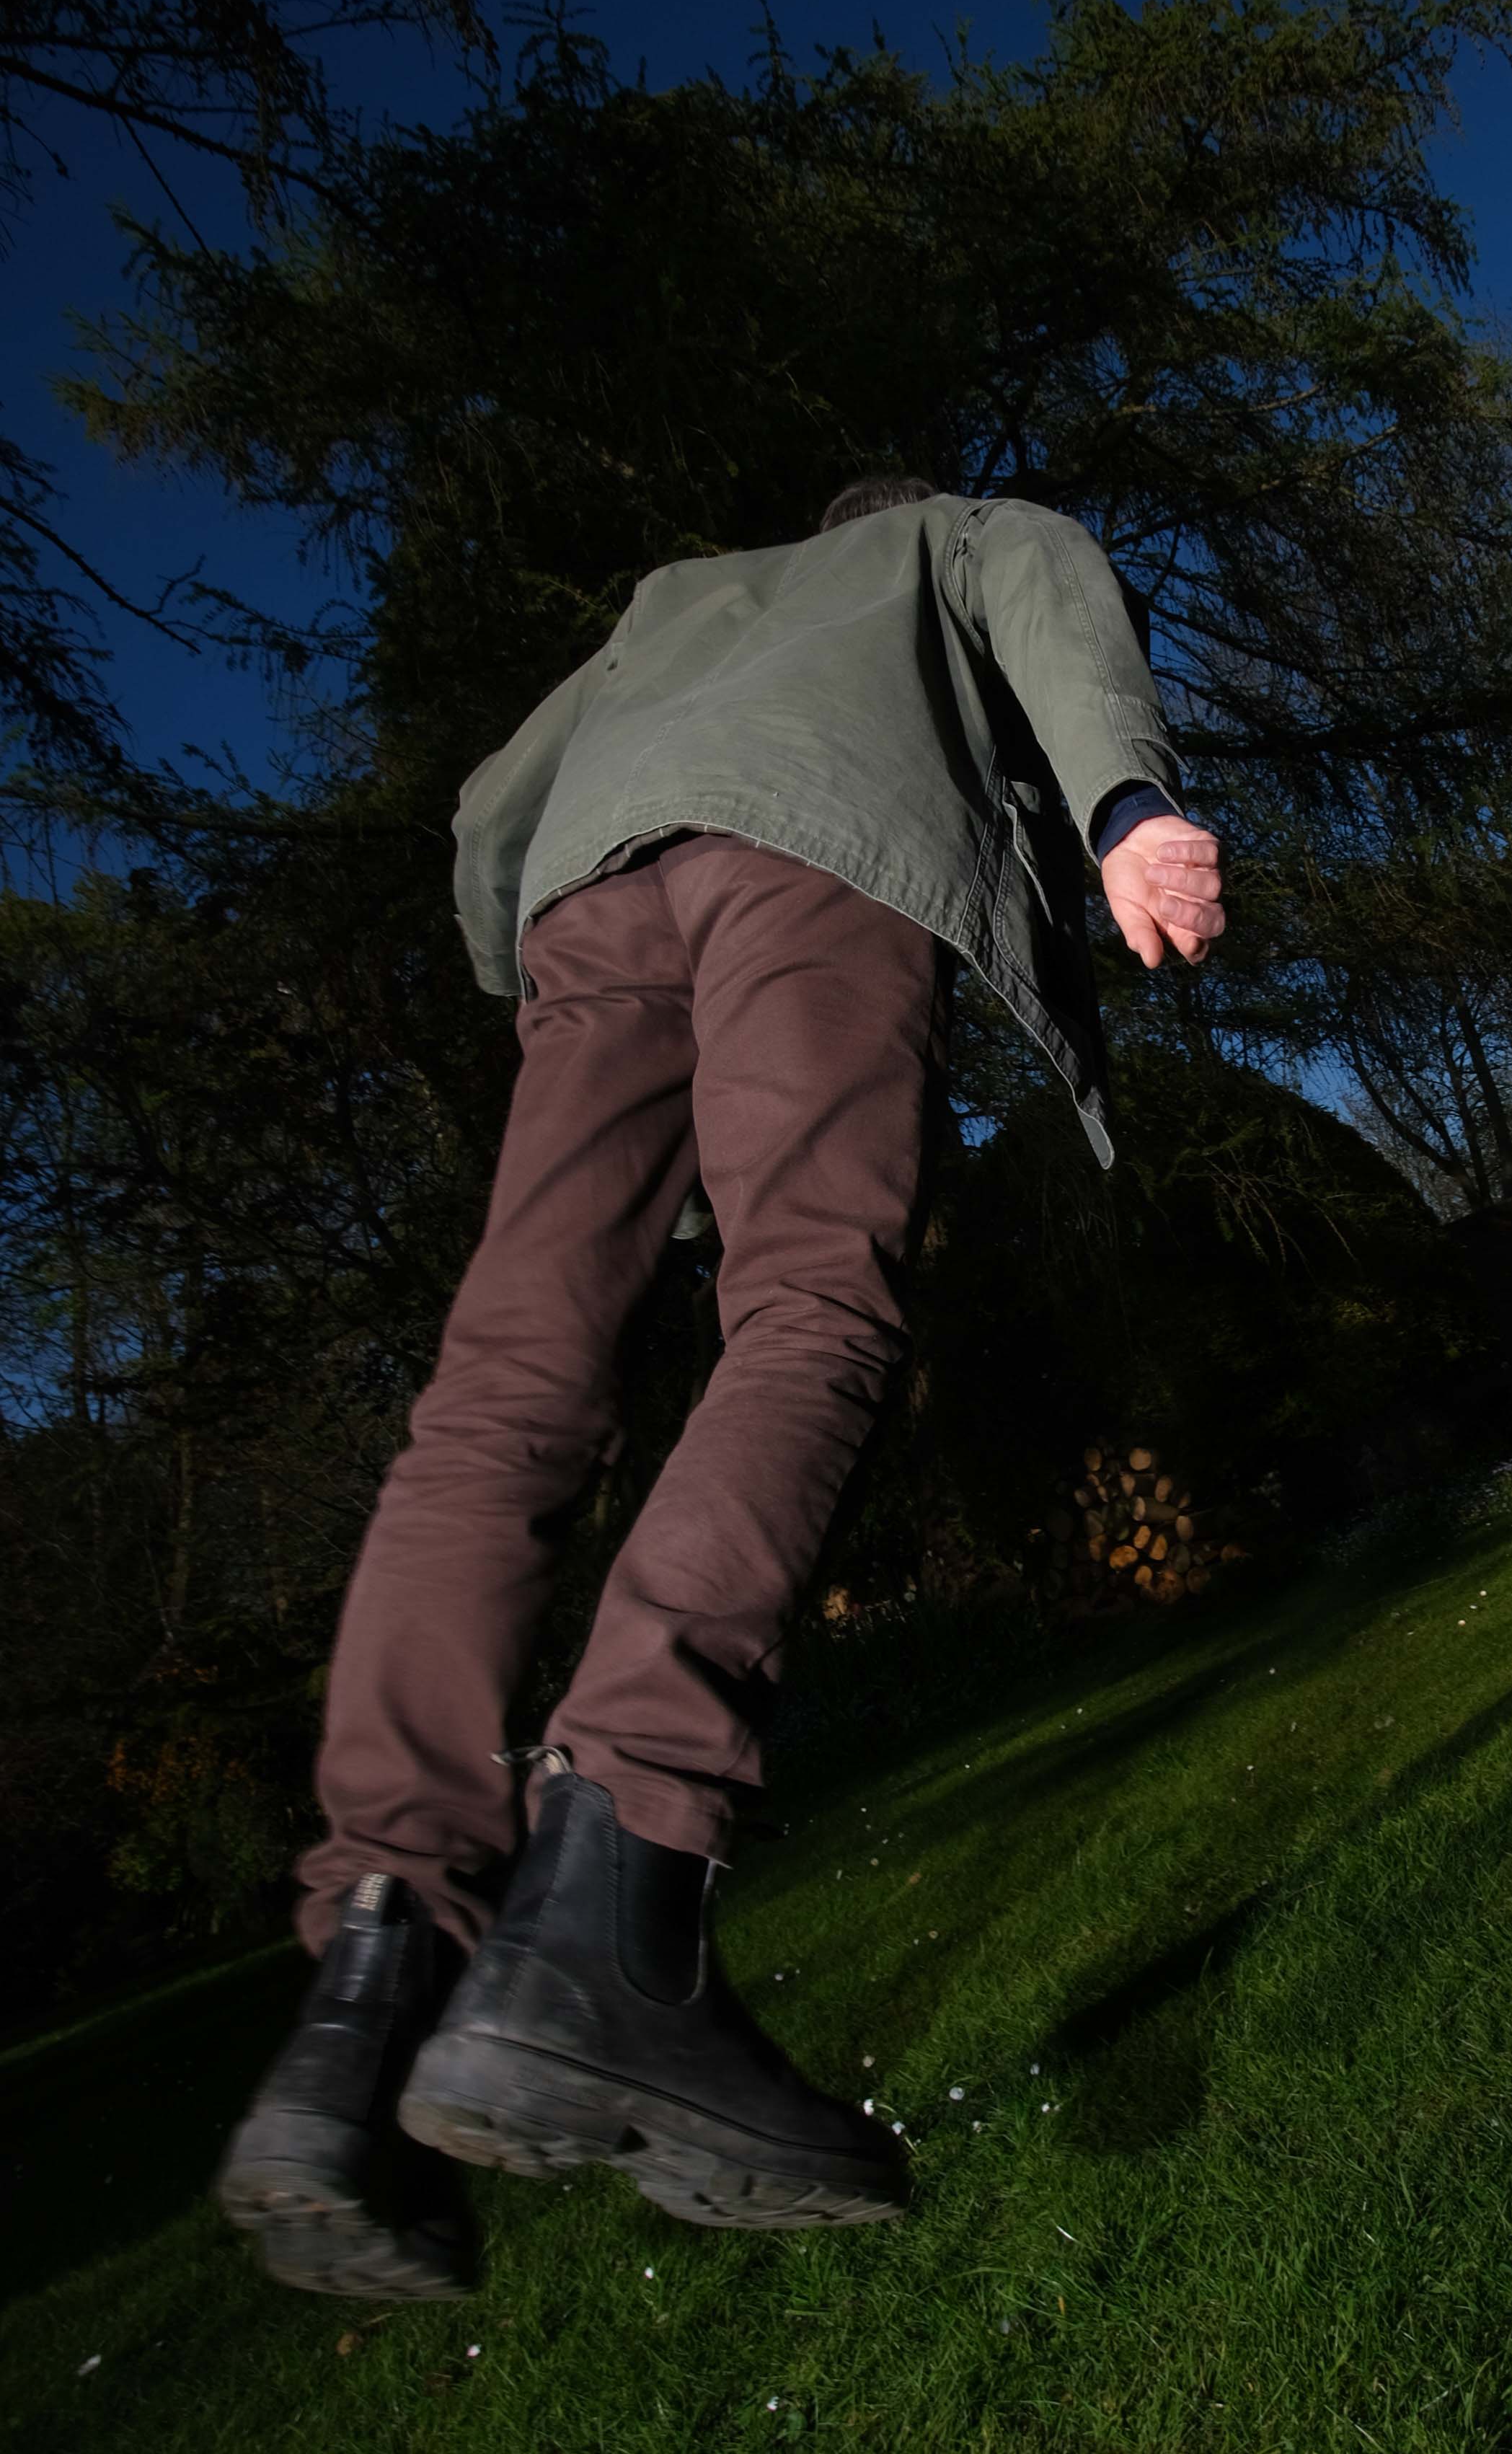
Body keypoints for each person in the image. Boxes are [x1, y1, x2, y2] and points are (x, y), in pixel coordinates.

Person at [213, 477, 1224, 2298]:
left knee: (498, 1394)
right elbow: (1042, 567)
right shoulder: (930, 541)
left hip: (586, 919)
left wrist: (537, 983)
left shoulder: (667, 599)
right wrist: (1124, 806)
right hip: (809, 868)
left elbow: (484, 816)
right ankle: (611, 1901)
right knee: (811, 1310)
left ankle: (366, 1993)